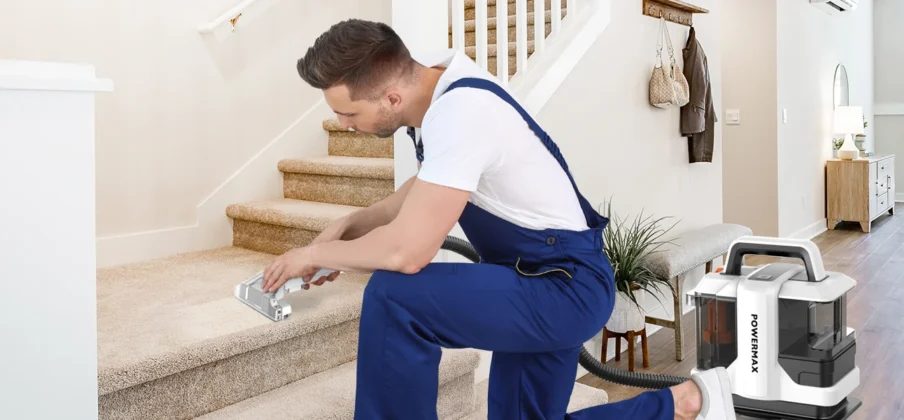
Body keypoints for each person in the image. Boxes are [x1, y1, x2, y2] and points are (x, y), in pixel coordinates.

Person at [261, 18, 736, 420]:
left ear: (390, 97)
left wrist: (317, 253)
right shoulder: (431, 83)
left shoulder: (462, 111)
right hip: (538, 277)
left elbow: (407, 253)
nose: (344, 125)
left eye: (348, 113)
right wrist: (351, 224)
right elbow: (427, 186)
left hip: (561, 286)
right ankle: (685, 401)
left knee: (395, 297)